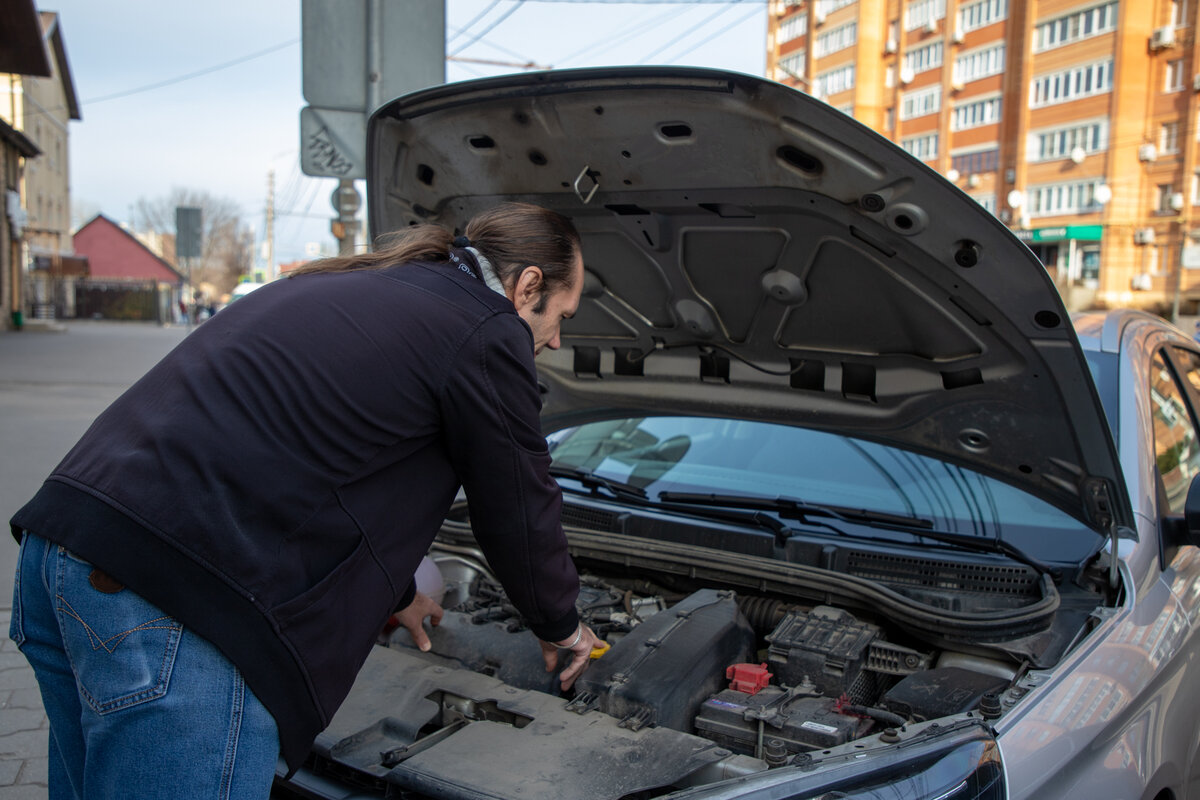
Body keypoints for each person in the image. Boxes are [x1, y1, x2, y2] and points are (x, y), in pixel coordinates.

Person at [8, 201, 603, 800]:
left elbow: (321, 466)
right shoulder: (484, 325)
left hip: (65, 554)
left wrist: (398, 594)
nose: (555, 340)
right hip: (171, 601)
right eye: (561, 316)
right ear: (527, 286)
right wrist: (561, 625)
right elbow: (517, 504)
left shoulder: (359, 285)